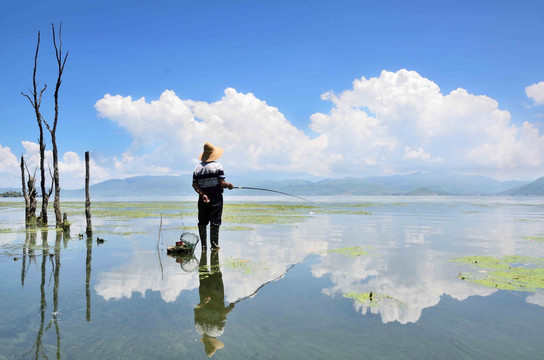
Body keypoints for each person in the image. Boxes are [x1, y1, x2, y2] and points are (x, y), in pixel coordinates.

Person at [192, 142, 234, 250]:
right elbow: (221, 183)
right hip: (215, 197)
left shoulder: (197, 168)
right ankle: (214, 246)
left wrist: (203, 195)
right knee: (215, 222)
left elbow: (194, 185)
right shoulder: (217, 166)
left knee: (202, 221)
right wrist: (228, 185)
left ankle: (203, 246)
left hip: (203, 198)